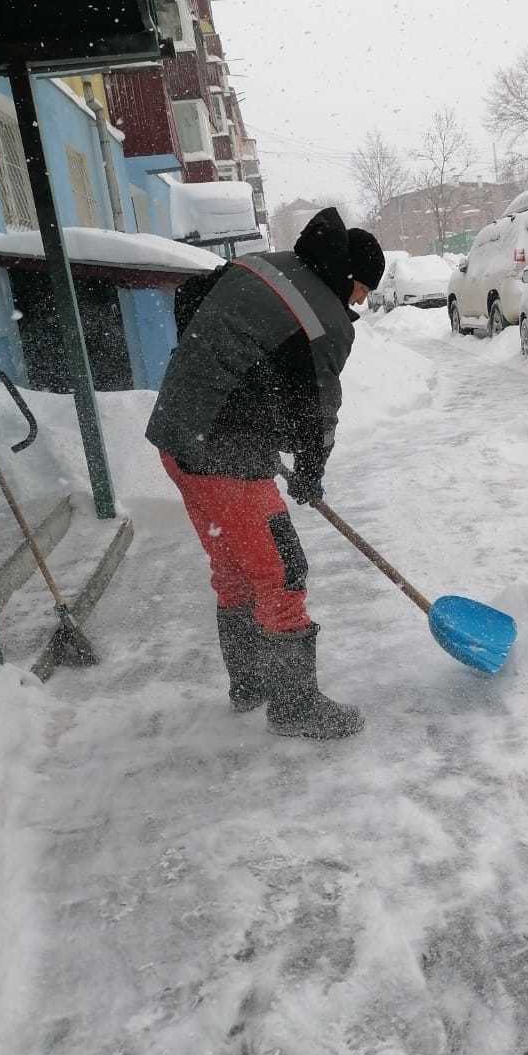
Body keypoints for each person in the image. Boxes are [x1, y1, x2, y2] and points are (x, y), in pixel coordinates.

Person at [145, 207, 384, 739]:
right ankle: (295, 706)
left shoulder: (261, 265)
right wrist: (310, 470)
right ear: (348, 278)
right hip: (224, 456)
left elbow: (190, 300)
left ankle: (250, 682)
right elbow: (317, 408)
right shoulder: (326, 319)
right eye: (364, 290)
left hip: (179, 436)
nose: (362, 302)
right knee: (282, 569)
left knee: (233, 563)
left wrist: (223, 382)